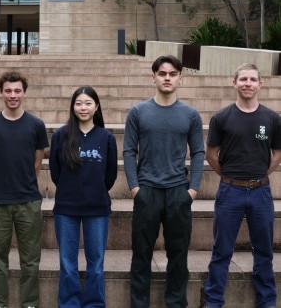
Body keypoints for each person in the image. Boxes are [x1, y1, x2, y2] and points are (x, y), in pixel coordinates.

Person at [123, 55, 205, 308]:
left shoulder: (190, 115)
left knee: (178, 255)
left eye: (172, 74)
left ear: (180, 77)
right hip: (147, 191)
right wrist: (135, 188)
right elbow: (128, 151)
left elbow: (199, 152)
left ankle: (176, 303)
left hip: (178, 192)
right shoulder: (138, 112)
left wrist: (192, 189)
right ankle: (139, 304)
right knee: (141, 255)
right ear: (154, 77)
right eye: (162, 73)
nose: (167, 78)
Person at [202, 63, 281, 308]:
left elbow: (277, 153)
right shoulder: (222, 117)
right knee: (221, 250)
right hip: (230, 191)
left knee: (264, 251)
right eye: (243, 79)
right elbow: (211, 153)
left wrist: (259, 175)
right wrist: (229, 176)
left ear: (260, 84)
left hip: (260, 191)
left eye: (252, 79)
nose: (248, 83)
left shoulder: (272, 118)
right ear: (234, 83)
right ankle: (214, 300)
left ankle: (267, 301)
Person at [0, 70, 49, 308]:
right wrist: (1, 181)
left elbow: (37, 162)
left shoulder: (36, 125)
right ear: (1, 92)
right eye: (8, 90)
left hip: (28, 200)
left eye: (17, 90)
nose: (12, 95)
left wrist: (23, 180)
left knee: (30, 260)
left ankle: (29, 303)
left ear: (24, 93)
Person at [49, 86, 118, 308]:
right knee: (67, 263)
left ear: (96, 106)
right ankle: (69, 304)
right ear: (73, 107)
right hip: (66, 209)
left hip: (96, 209)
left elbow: (110, 175)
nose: (83, 107)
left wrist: (95, 190)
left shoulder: (106, 137)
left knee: (96, 263)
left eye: (88, 103)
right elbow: (55, 172)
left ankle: (94, 304)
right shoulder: (61, 135)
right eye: (78, 103)